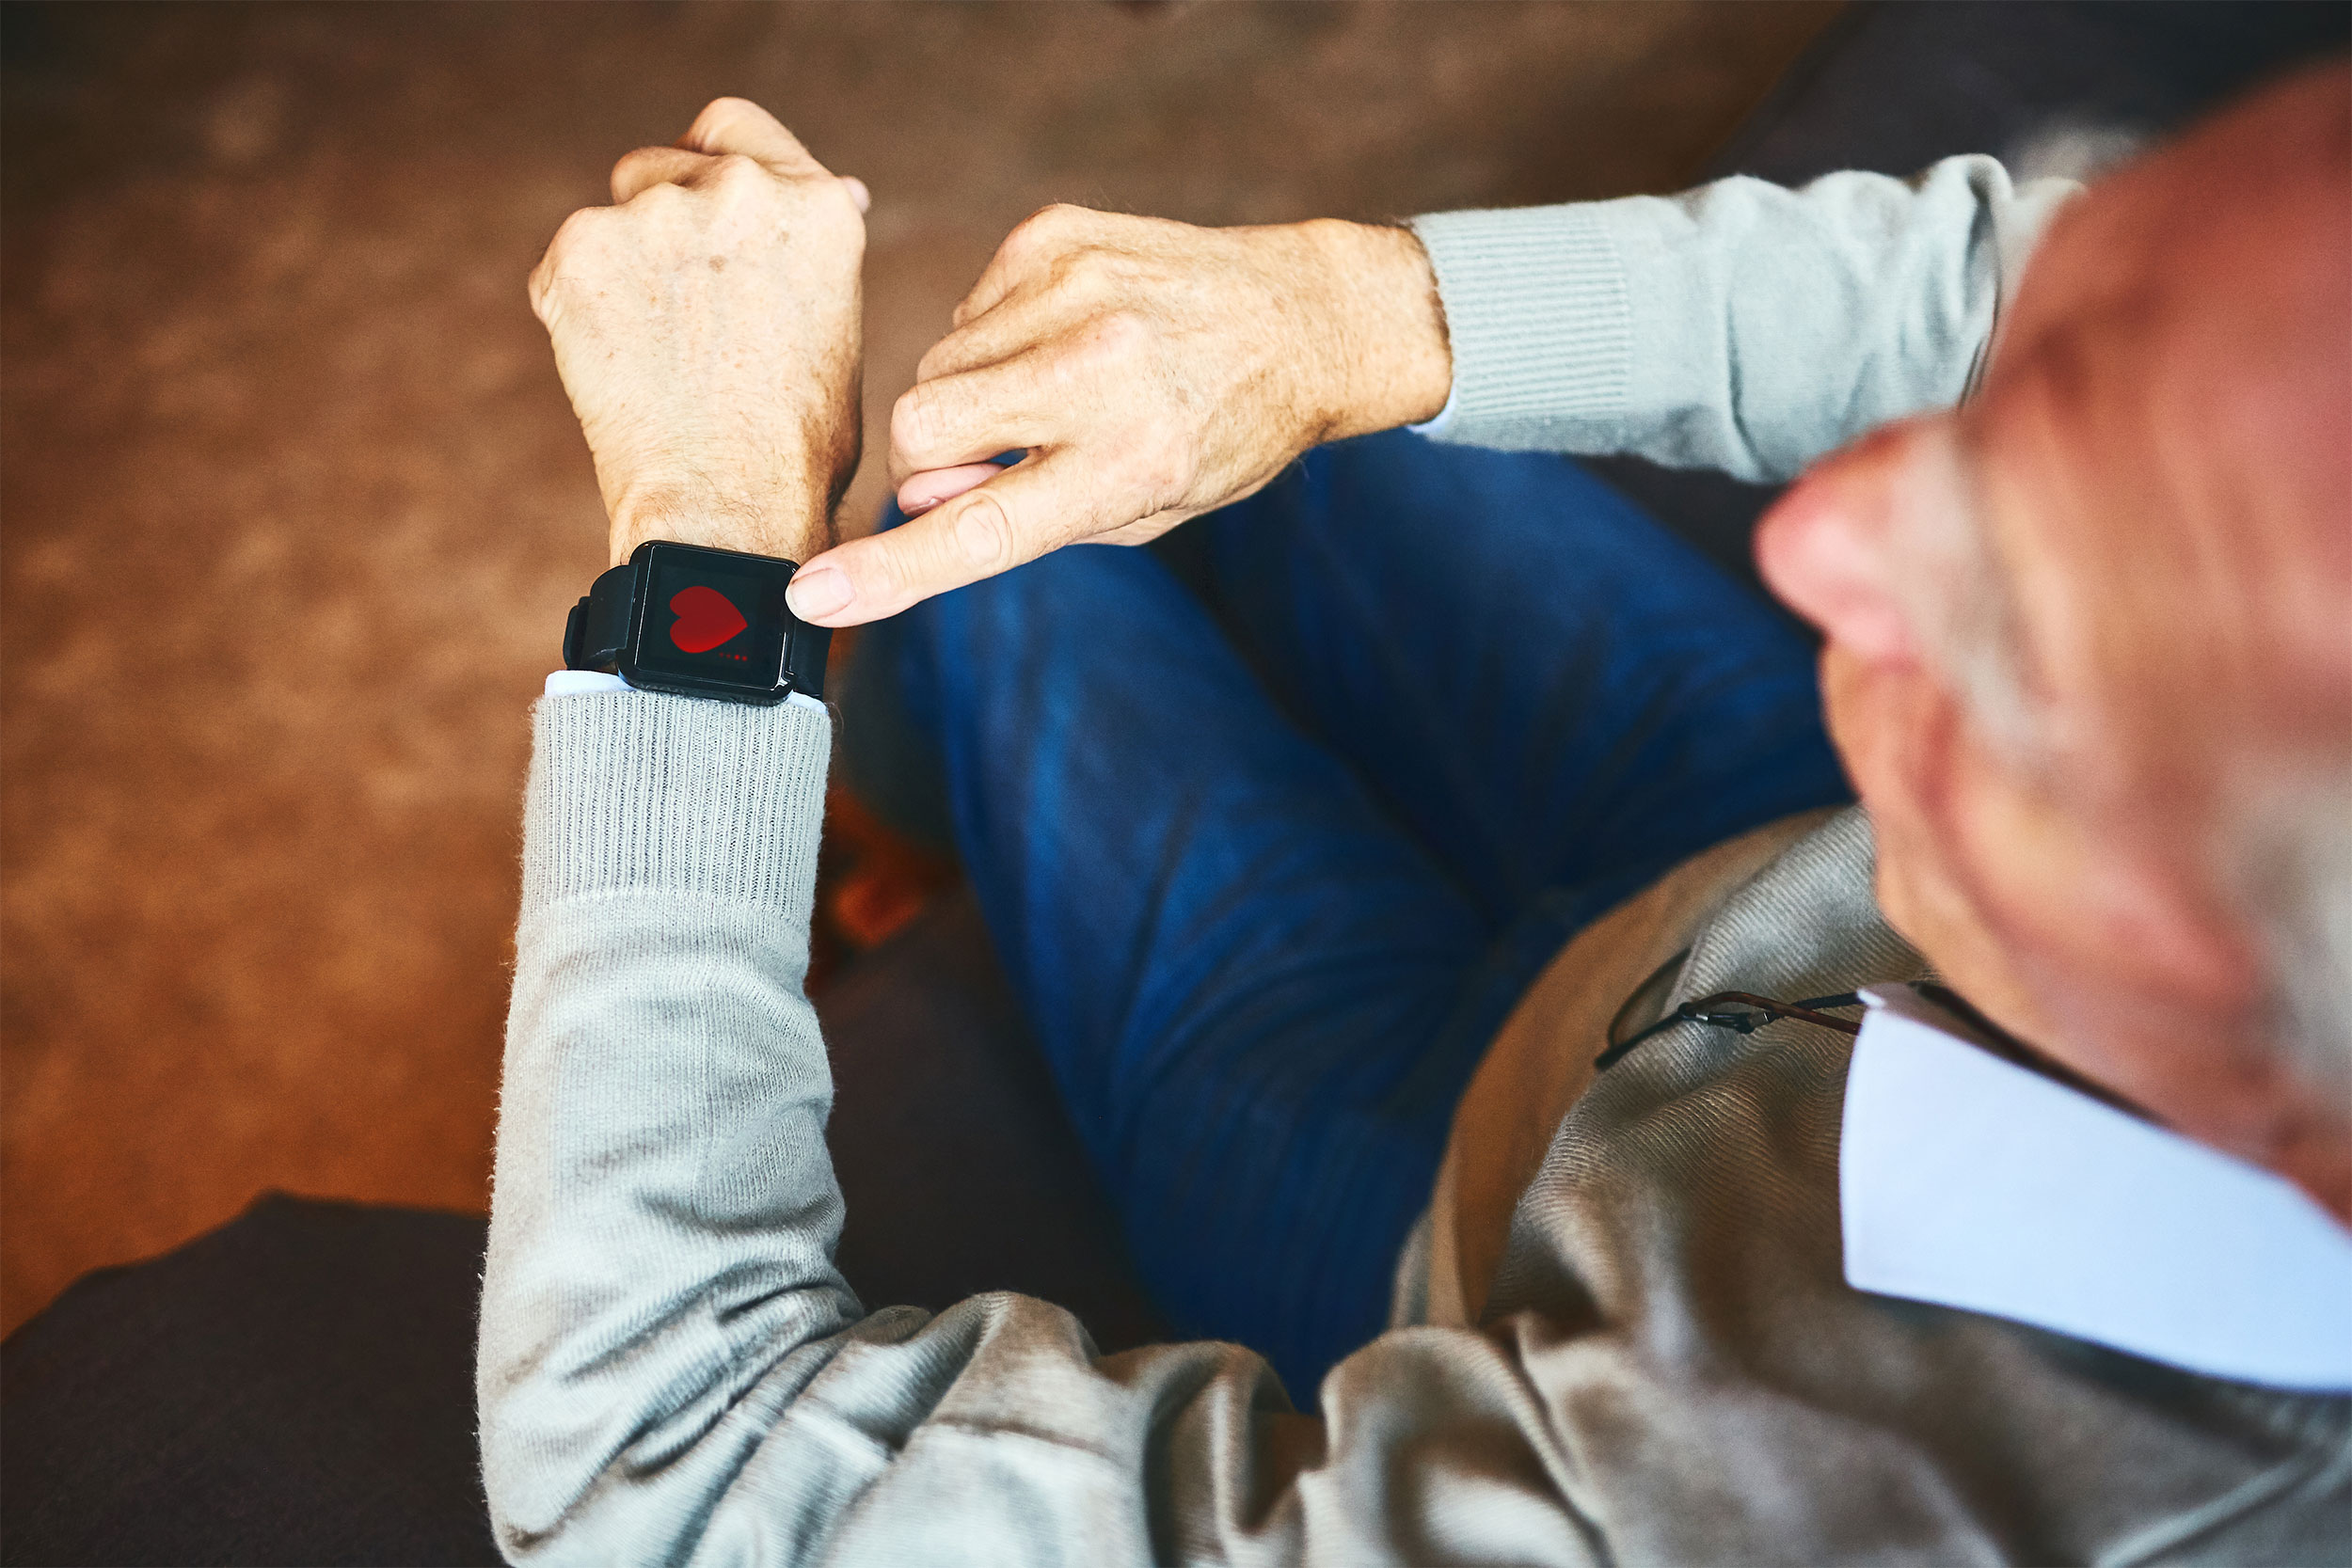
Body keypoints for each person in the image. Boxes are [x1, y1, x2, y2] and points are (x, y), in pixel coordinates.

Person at [481, 60, 2351, 1567]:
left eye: (2009, 637)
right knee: (1205, 418)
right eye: (2013, 415)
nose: (1809, 534)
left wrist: (709, 543)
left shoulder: (1765, 1499)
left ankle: (883, 813)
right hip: (1778, 852)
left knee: (957, 549)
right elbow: (2000, 279)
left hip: (1445, 1215)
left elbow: (662, 1469)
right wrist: (1350, 311)